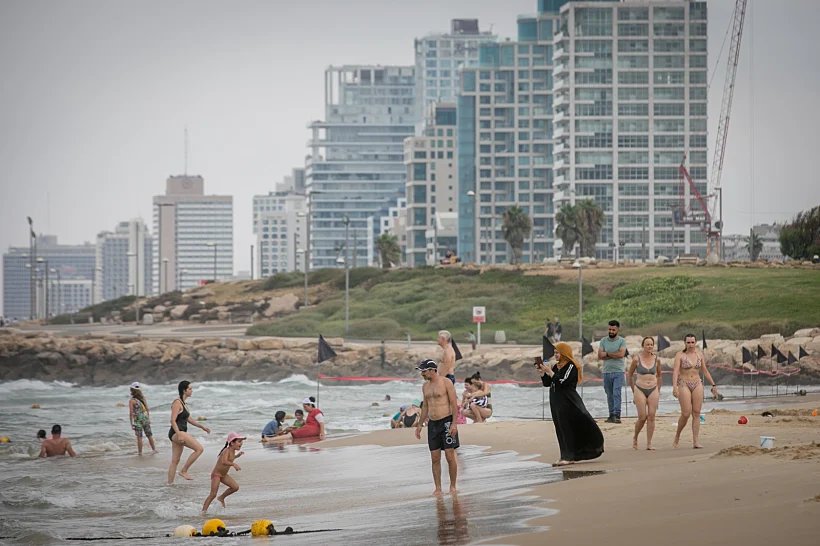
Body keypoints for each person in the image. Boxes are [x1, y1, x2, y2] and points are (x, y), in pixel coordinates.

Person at [536, 344, 604, 466]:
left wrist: (550, 371)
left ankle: (570, 456)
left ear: (564, 353)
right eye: (555, 352)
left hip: (568, 401)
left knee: (567, 428)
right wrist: (543, 373)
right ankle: (564, 455)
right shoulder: (557, 366)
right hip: (556, 401)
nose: (556, 355)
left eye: (558, 353)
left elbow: (562, 381)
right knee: (560, 428)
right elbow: (549, 383)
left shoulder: (571, 366)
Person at [414, 359, 459, 495]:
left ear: (432, 370)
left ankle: (452, 486)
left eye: (424, 371)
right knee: (435, 457)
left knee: (450, 456)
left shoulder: (446, 382)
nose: (422, 374)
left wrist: (454, 423)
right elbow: (426, 406)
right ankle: (438, 488)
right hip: (433, 424)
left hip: (446, 421)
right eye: (421, 371)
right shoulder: (425, 387)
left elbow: (453, 403)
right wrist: (420, 424)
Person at [672, 334, 719, 449]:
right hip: (684, 383)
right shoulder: (680, 355)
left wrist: (713, 384)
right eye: (688, 342)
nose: (691, 345)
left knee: (697, 412)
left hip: (697, 383)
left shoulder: (699, 355)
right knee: (686, 413)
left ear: (696, 342)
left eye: (692, 342)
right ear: (685, 343)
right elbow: (675, 371)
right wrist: (674, 387)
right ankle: (677, 435)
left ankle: (695, 441)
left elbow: (705, 371)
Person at [168, 380, 211, 484]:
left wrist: (202, 426)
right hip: (177, 432)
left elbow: (189, 419)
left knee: (175, 461)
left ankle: (170, 485)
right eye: (190, 389)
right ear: (184, 390)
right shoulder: (177, 403)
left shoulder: (184, 403)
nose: (192, 391)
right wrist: (179, 435)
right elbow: (172, 420)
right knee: (199, 449)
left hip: (178, 433)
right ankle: (184, 471)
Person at [627, 337, 662, 450]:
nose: (649, 346)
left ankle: (649, 444)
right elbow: (630, 375)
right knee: (642, 417)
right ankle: (635, 437)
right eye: (647, 344)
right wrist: (633, 390)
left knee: (651, 416)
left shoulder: (657, 360)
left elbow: (660, 375)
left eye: (651, 344)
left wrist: (658, 390)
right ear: (643, 345)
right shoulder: (637, 359)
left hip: (653, 388)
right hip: (640, 388)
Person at [202, 432, 245, 513]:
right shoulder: (227, 450)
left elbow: (230, 458)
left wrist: (237, 456)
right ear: (232, 443)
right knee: (213, 494)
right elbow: (224, 461)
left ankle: (221, 497)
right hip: (217, 475)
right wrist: (233, 464)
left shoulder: (233, 451)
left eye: (241, 442)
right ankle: (203, 511)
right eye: (239, 441)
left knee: (235, 487)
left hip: (224, 475)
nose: (241, 443)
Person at [598, 320, 627, 423]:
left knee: (616, 393)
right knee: (609, 394)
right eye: (609, 329)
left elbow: (621, 355)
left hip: (618, 371)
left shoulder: (622, 341)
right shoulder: (603, 341)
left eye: (613, 330)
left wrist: (607, 354)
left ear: (617, 330)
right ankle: (611, 415)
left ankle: (617, 415)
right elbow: (600, 356)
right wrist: (613, 354)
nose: (611, 331)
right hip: (606, 372)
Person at [129, 382, 157, 455]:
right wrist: (148, 418)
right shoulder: (143, 398)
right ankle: (154, 450)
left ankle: (140, 453)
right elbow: (147, 409)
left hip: (138, 420)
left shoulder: (132, 401)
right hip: (145, 419)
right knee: (149, 435)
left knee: (139, 437)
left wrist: (131, 423)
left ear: (132, 390)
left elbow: (131, 413)